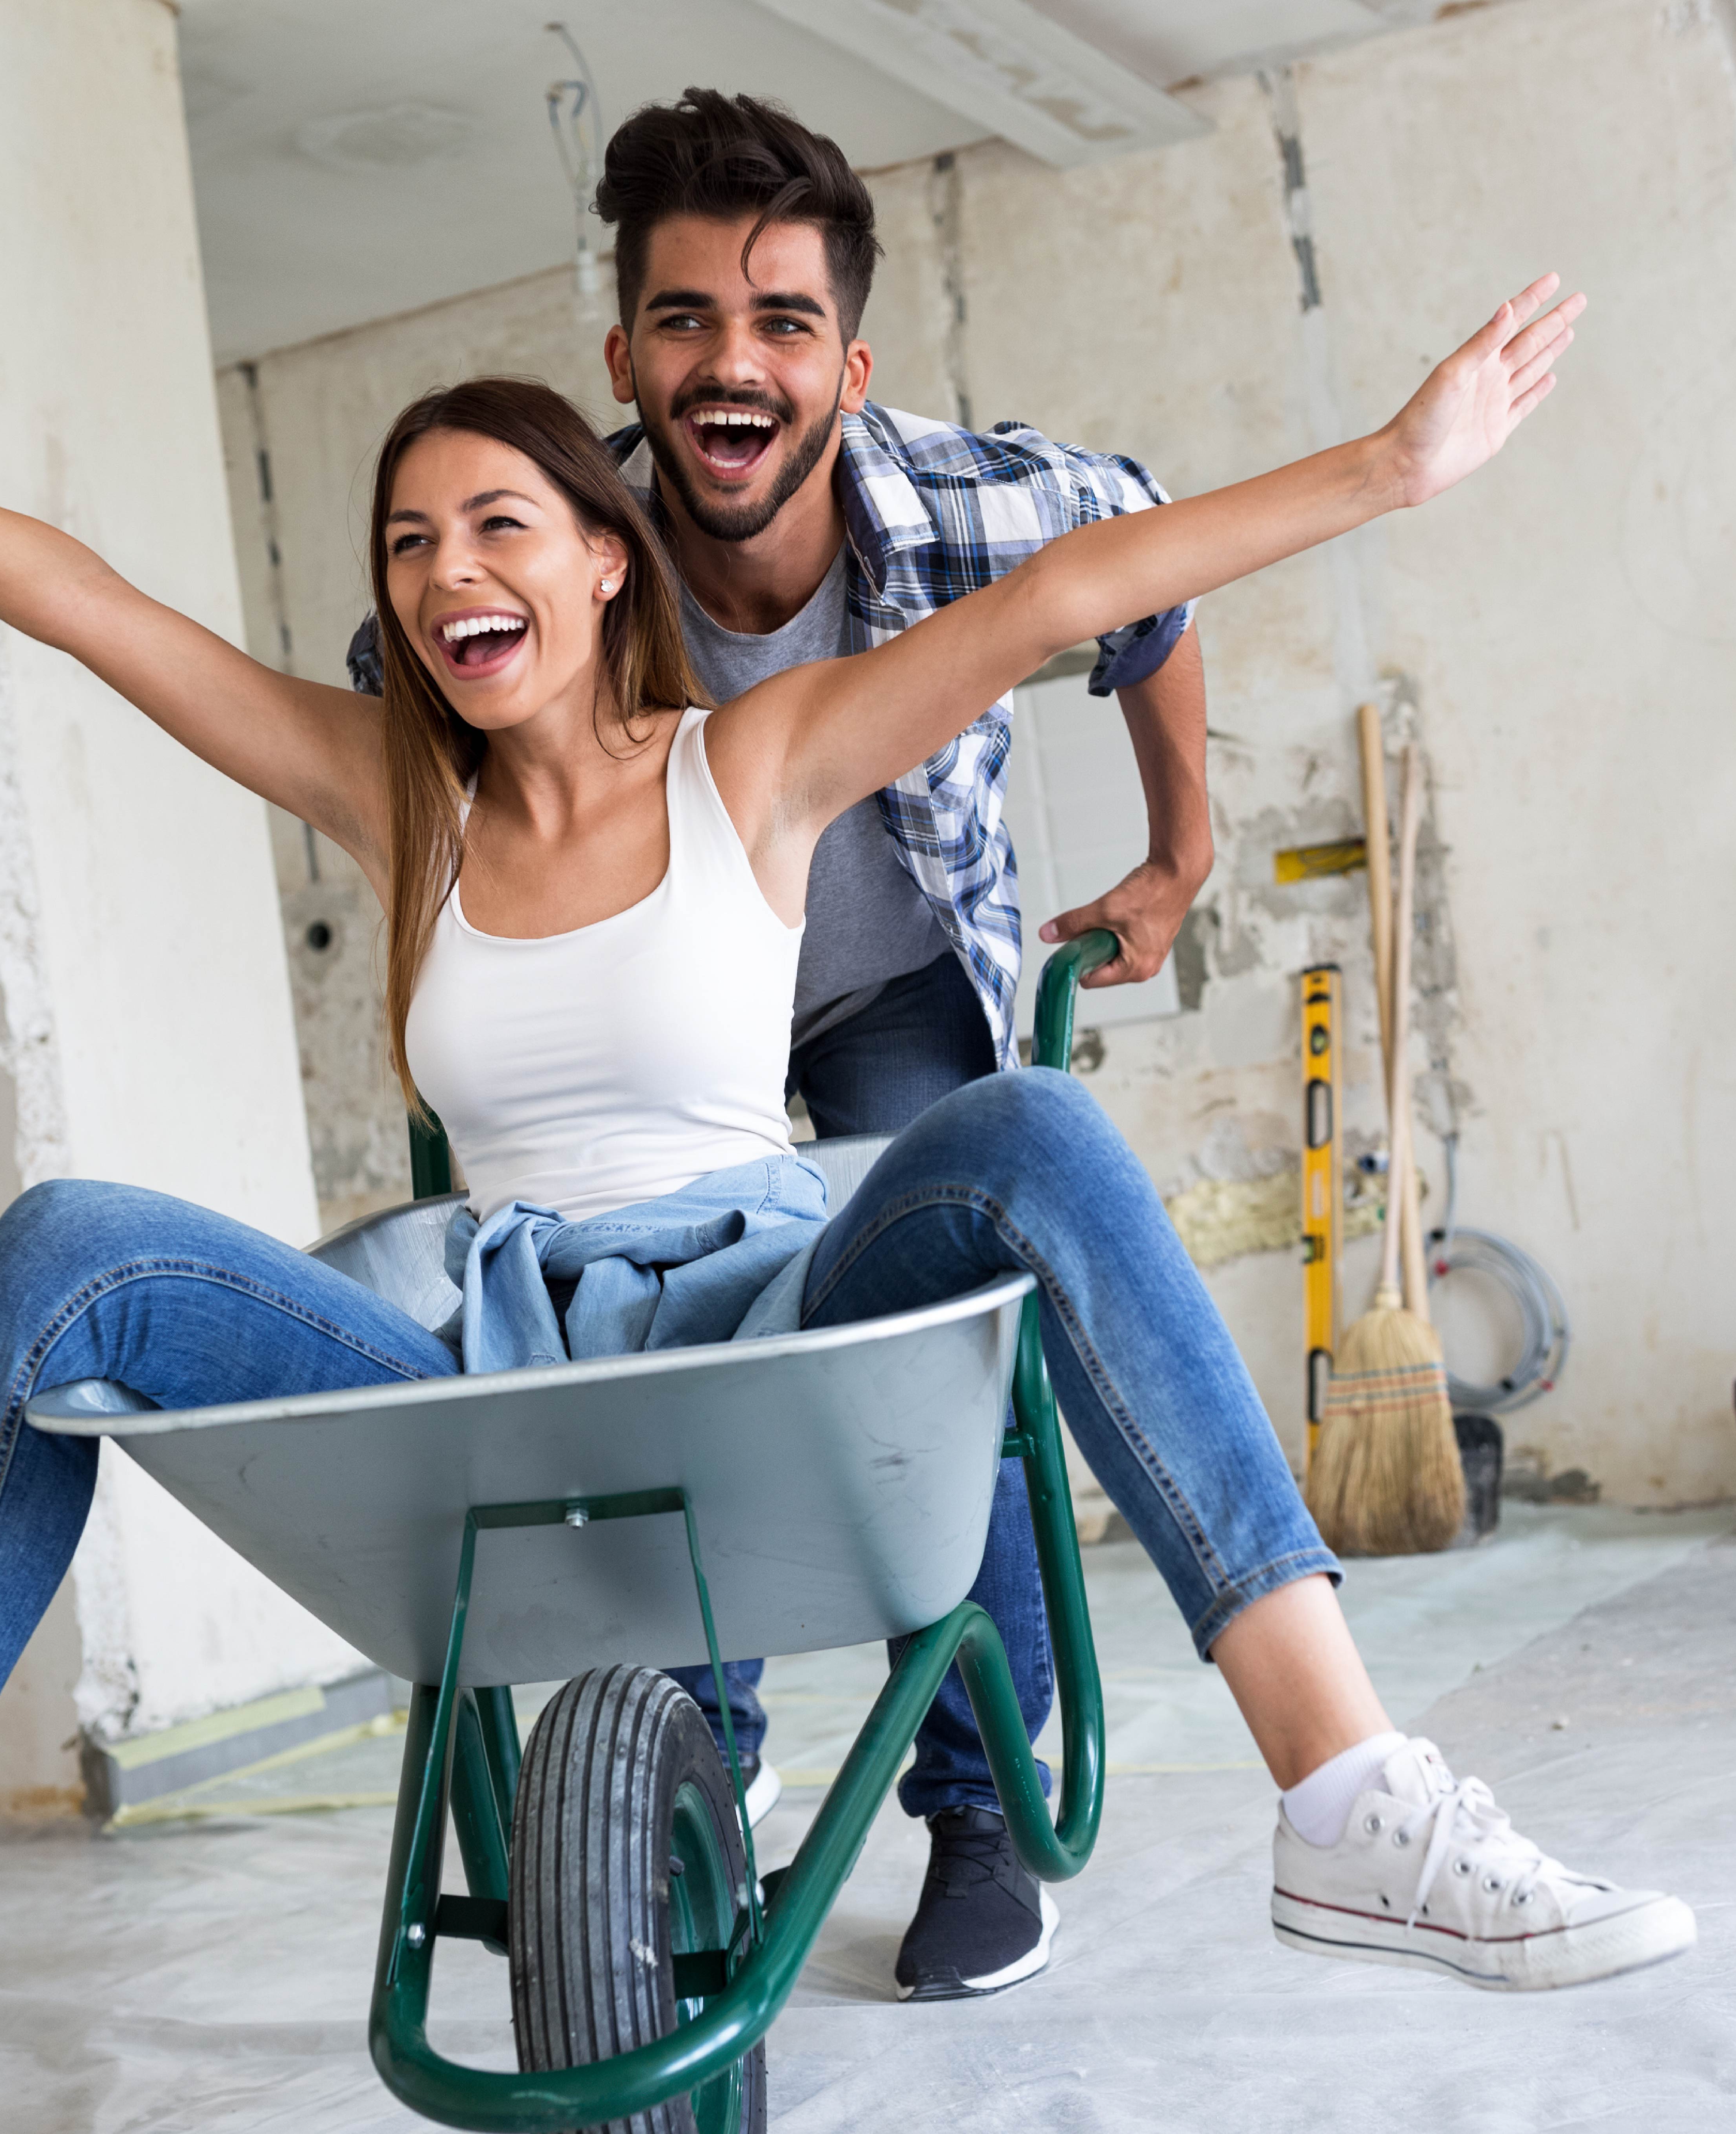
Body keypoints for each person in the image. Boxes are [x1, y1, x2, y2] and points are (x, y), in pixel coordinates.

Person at [0, 251, 1683, 2103]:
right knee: (67, 1248)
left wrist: (1394, 463)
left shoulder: (756, 761)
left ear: (605, 560)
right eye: (407, 545)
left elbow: (1065, 595)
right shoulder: (402, 803)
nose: (445, 569)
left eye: (498, 521)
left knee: (1025, 1123)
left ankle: (1345, 1788)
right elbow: (83, 603)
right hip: (495, 1344)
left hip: (776, 1323)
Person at [343, 88, 1215, 2001]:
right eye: (683, 323)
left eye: (779, 325)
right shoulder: (550, 552)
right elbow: (407, 726)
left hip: (892, 973)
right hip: (659, 1030)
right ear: (624, 358)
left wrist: (1180, 852)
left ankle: (977, 1802)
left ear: (846, 356)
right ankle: (691, 1765)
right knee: (658, 1331)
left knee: (939, 1347)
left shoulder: (968, 501)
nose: (730, 368)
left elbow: (1135, 572)